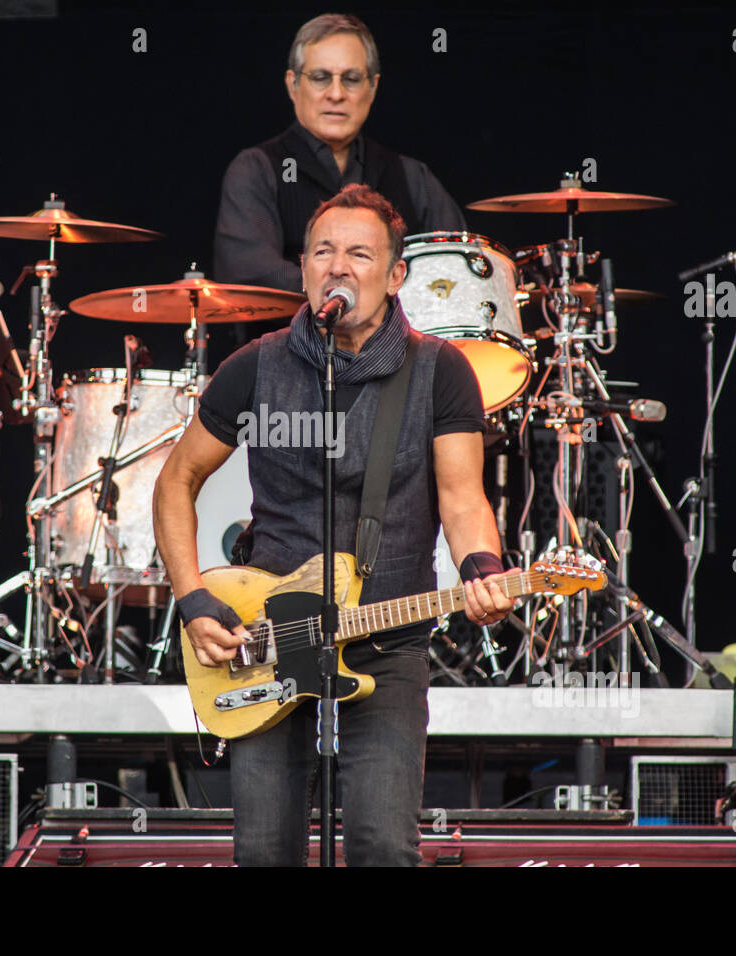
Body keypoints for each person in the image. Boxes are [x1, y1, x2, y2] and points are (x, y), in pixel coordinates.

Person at [154, 184, 516, 866]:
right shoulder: (254, 368)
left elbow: (463, 501)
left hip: (386, 640)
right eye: (322, 251)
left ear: (396, 274)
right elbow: (177, 479)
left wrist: (483, 570)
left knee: (382, 845)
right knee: (265, 851)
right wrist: (194, 599)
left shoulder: (440, 374)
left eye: (358, 253)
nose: (337, 266)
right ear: (303, 269)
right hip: (262, 641)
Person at [214, 13, 465, 292]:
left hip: (397, 337)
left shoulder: (412, 176)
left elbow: (459, 263)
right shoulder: (256, 169)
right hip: (291, 336)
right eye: (320, 77)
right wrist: (354, 295)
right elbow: (250, 271)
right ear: (292, 84)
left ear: (372, 87)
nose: (336, 94)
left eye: (352, 79)